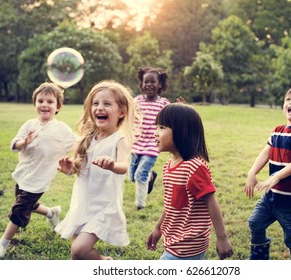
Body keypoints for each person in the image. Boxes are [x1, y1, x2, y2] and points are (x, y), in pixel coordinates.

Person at [0, 82, 77, 258]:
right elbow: (15, 143)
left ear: (58, 107)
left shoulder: (61, 129)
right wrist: (25, 142)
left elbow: (76, 142)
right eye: (40, 100)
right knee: (29, 204)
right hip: (23, 175)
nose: (44, 105)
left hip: (39, 179)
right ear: (35, 103)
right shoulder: (29, 124)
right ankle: (52, 212)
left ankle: (2, 245)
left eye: (50, 102)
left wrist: (91, 141)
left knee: (19, 209)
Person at [55, 80, 140, 260]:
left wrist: (112, 165)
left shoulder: (119, 140)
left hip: (104, 207)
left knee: (79, 249)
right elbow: (80, 169)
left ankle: (104, 262)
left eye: (107, 104)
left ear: (121, 112)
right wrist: (69, 169)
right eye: (95, 103)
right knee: (77, 256)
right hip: (82, 204)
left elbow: (123, 166)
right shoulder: (88, 139)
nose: (99, 108)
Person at [146, 103, 233, 260]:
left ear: (182, 132)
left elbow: (211, 202)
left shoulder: (194, 167)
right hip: (174, 241)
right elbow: (172, 203)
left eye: (162, 127)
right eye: (156, 127)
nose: (155, 133)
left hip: (187, 244)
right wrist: (158, 228)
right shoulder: (168, 166)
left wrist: (222, 238)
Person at [244, 85, 291, 260]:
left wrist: (277, 176)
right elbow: (265, 153)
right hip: (271, 196)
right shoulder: (277, 130)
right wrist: (252, 172)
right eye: (288, 99)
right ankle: (259, 257)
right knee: (255, 223)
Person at [129, 67, 170, 210]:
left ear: (160, 84)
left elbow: (172, 117)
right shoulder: (137, 101)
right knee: (132, 177)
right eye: (146, 82)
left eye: (153, 82)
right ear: (142, 84)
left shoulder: (163, 103)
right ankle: (151, 177)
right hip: (136, 143)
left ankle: (140, 204)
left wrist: (180, 107)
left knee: (140, 174)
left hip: (153, 145)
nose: (149, 85)